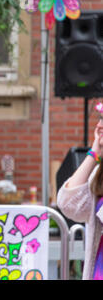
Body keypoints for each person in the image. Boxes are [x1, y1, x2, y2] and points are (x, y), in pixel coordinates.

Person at [57, 102, 103, 280]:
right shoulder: (99, 174)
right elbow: (68, 205)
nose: (98, 126)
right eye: (99, 119)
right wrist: (93, 153)